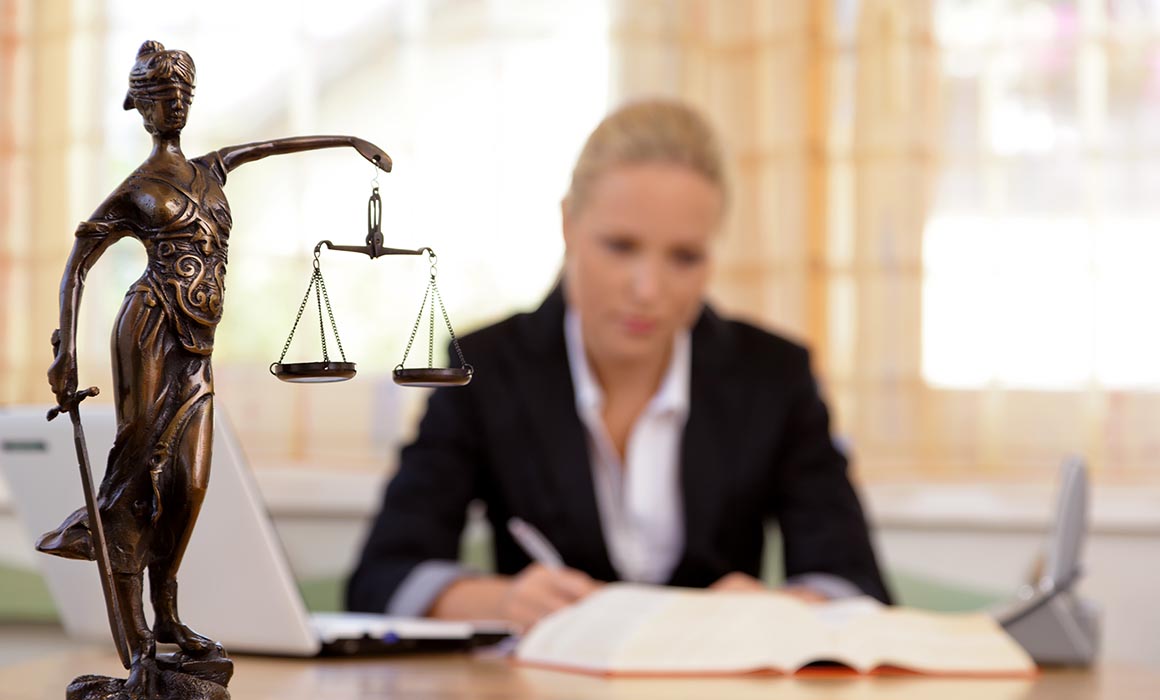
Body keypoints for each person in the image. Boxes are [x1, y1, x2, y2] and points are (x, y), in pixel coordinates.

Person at [347, 99, 890, 630]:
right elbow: (383, 575)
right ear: (568, 225)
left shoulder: (773, 376)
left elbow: (856, 586)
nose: (648, 290)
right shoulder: (486, 368)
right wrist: (502, 601)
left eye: (684, 257)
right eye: (620, 246)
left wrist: (782, 610)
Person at [42, 40, 391, 693]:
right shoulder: (137, 188)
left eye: (181, 94)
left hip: (199, 344)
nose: (173, 103)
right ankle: (139, 635)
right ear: (140, 108)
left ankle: (169, 613)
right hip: (147, 327)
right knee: (137, 472)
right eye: (159, 95)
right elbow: (81, 259)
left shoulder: (213, 169)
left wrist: (347, 140)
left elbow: (272, 147)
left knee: (191, 481)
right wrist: (65, 349)